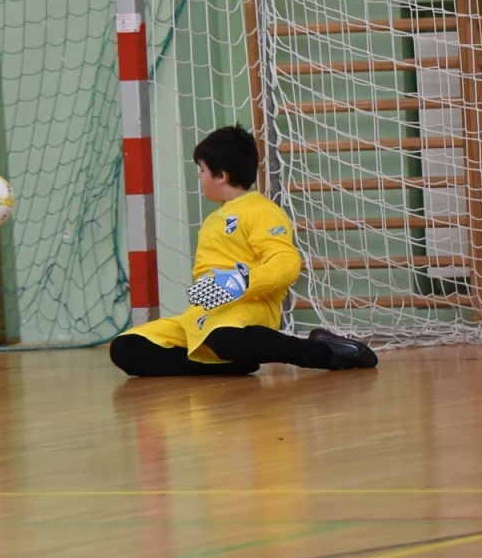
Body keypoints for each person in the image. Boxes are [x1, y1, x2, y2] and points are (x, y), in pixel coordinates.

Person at [108, 125, 378, 376]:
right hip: (205, 317)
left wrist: (241, 281)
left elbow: (286, 263)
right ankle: (231, 362)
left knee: (223, 337)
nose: (199, 176)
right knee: (126, 347)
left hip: (247, 312)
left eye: (202, 170)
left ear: (221, 176)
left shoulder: (262, 211)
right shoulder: (213, 219)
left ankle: (325, 353)